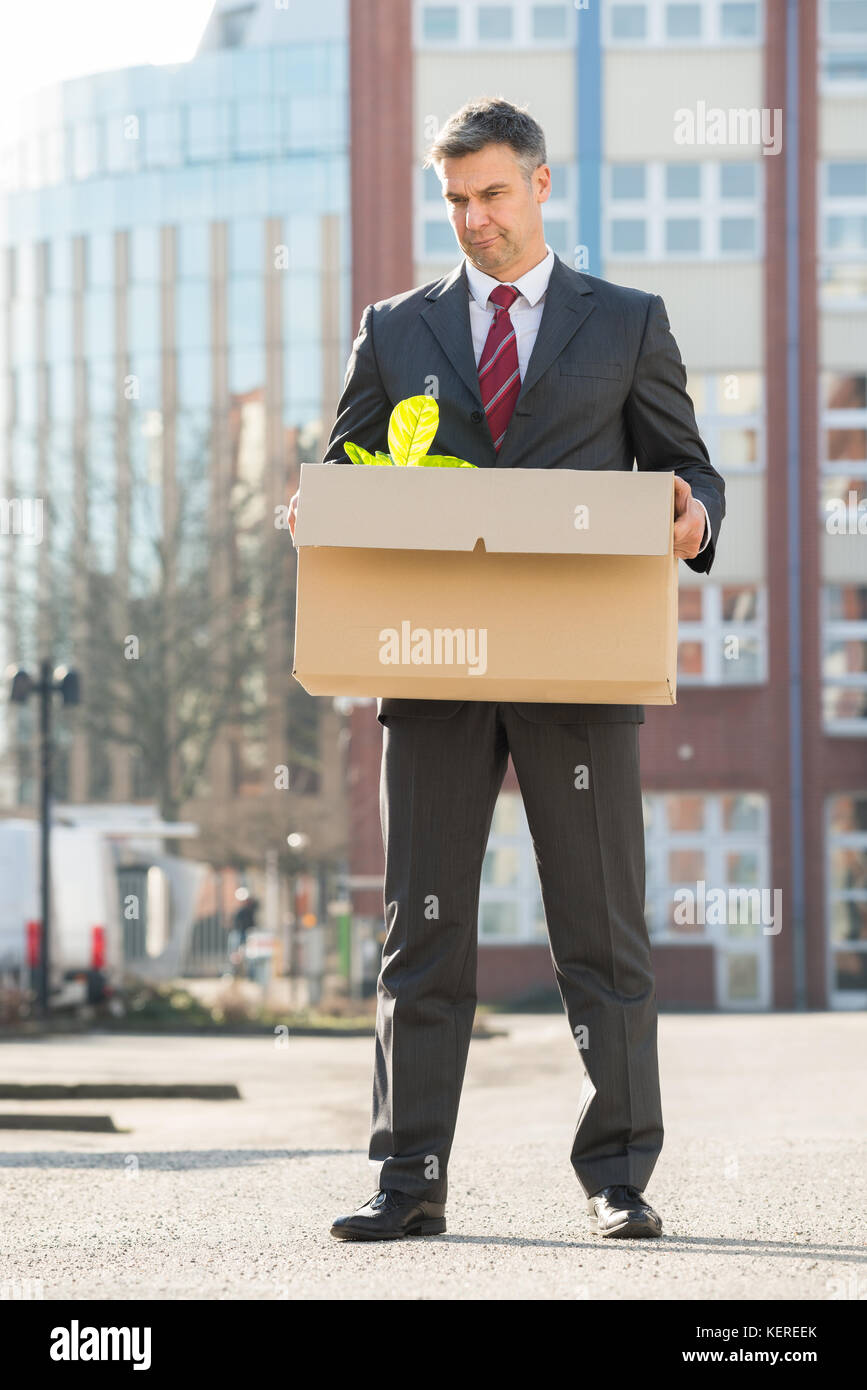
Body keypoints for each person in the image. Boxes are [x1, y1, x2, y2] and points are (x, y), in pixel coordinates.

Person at [288, 97, 725, 1242]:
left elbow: (689, 473)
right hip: (433, 669)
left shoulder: (628, 323)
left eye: (491, 193)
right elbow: (347, 474)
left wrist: (691, 517)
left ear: (539, 187)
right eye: (454, 199)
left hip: (578, 670)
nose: (473, 219)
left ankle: (618, 1176)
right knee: (421, 930)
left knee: (602, 929)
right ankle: (409, 1175)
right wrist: (313, 508)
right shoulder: (395, 330)